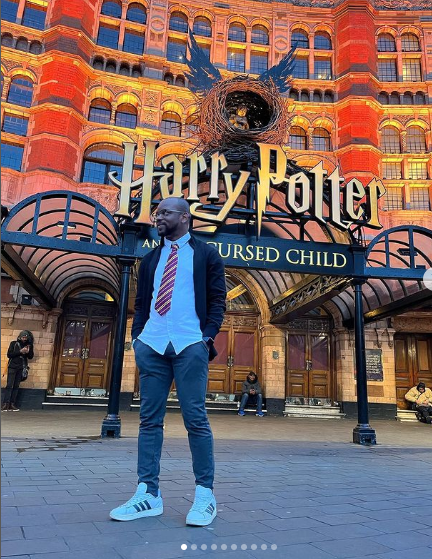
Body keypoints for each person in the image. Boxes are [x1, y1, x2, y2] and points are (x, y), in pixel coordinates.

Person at [110, 197, 226, 526]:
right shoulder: (150, 259)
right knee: (149, 421)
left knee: (196, 419)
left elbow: (218, 300)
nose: (157, 217)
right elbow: (141, 303)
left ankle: (205, 494)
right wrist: (138, 338)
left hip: (190, 344)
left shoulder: (206, 255)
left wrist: (206, 338)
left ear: (185, 217)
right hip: (153, 344)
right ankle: (148, 493)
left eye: (164, 212)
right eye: (156, 213)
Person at [2, 331, 34, 412]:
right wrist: (20, 351)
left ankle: (12, 404)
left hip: (21, 367)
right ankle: (5, 403)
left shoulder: (29, 345)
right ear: (20, 337)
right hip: (12, 366)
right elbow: (9, 355)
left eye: (26, 338)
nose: (24, 339)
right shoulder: (13, 343)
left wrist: (28, 352)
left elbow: (30, 357)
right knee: (9, 385)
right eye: (23, 337)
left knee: (16, 386)